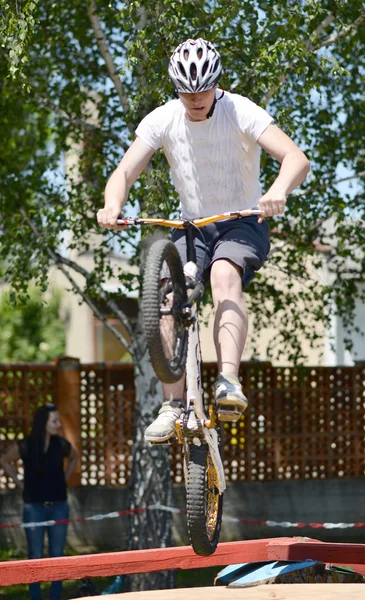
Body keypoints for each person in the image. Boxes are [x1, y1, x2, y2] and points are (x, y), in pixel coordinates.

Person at [97, 38, 310, 443]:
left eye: (202, 90)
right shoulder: (162, 119)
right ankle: (172, 405)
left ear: (216, 83)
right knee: (164, 297)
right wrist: (112, 204)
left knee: (223, 275)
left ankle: (228, 381)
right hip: (191, 227)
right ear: (176, 89)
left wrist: (278, 190)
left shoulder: (240, 110)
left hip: (242, 220)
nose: (195, 99)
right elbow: (123, 173)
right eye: (186, 92)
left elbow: (296, 159)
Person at [0, 404, 78, 600]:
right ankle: (35, 596)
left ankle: (55, 596)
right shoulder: (26, 445)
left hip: (59, 506)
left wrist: (65, 479)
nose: (59, 425)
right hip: (34, 508)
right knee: (35, 555)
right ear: (43, 423)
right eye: (54, 421)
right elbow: (5, 461)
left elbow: (75, 457)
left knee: (57, 555)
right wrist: (20, 484)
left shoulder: (60, 444)